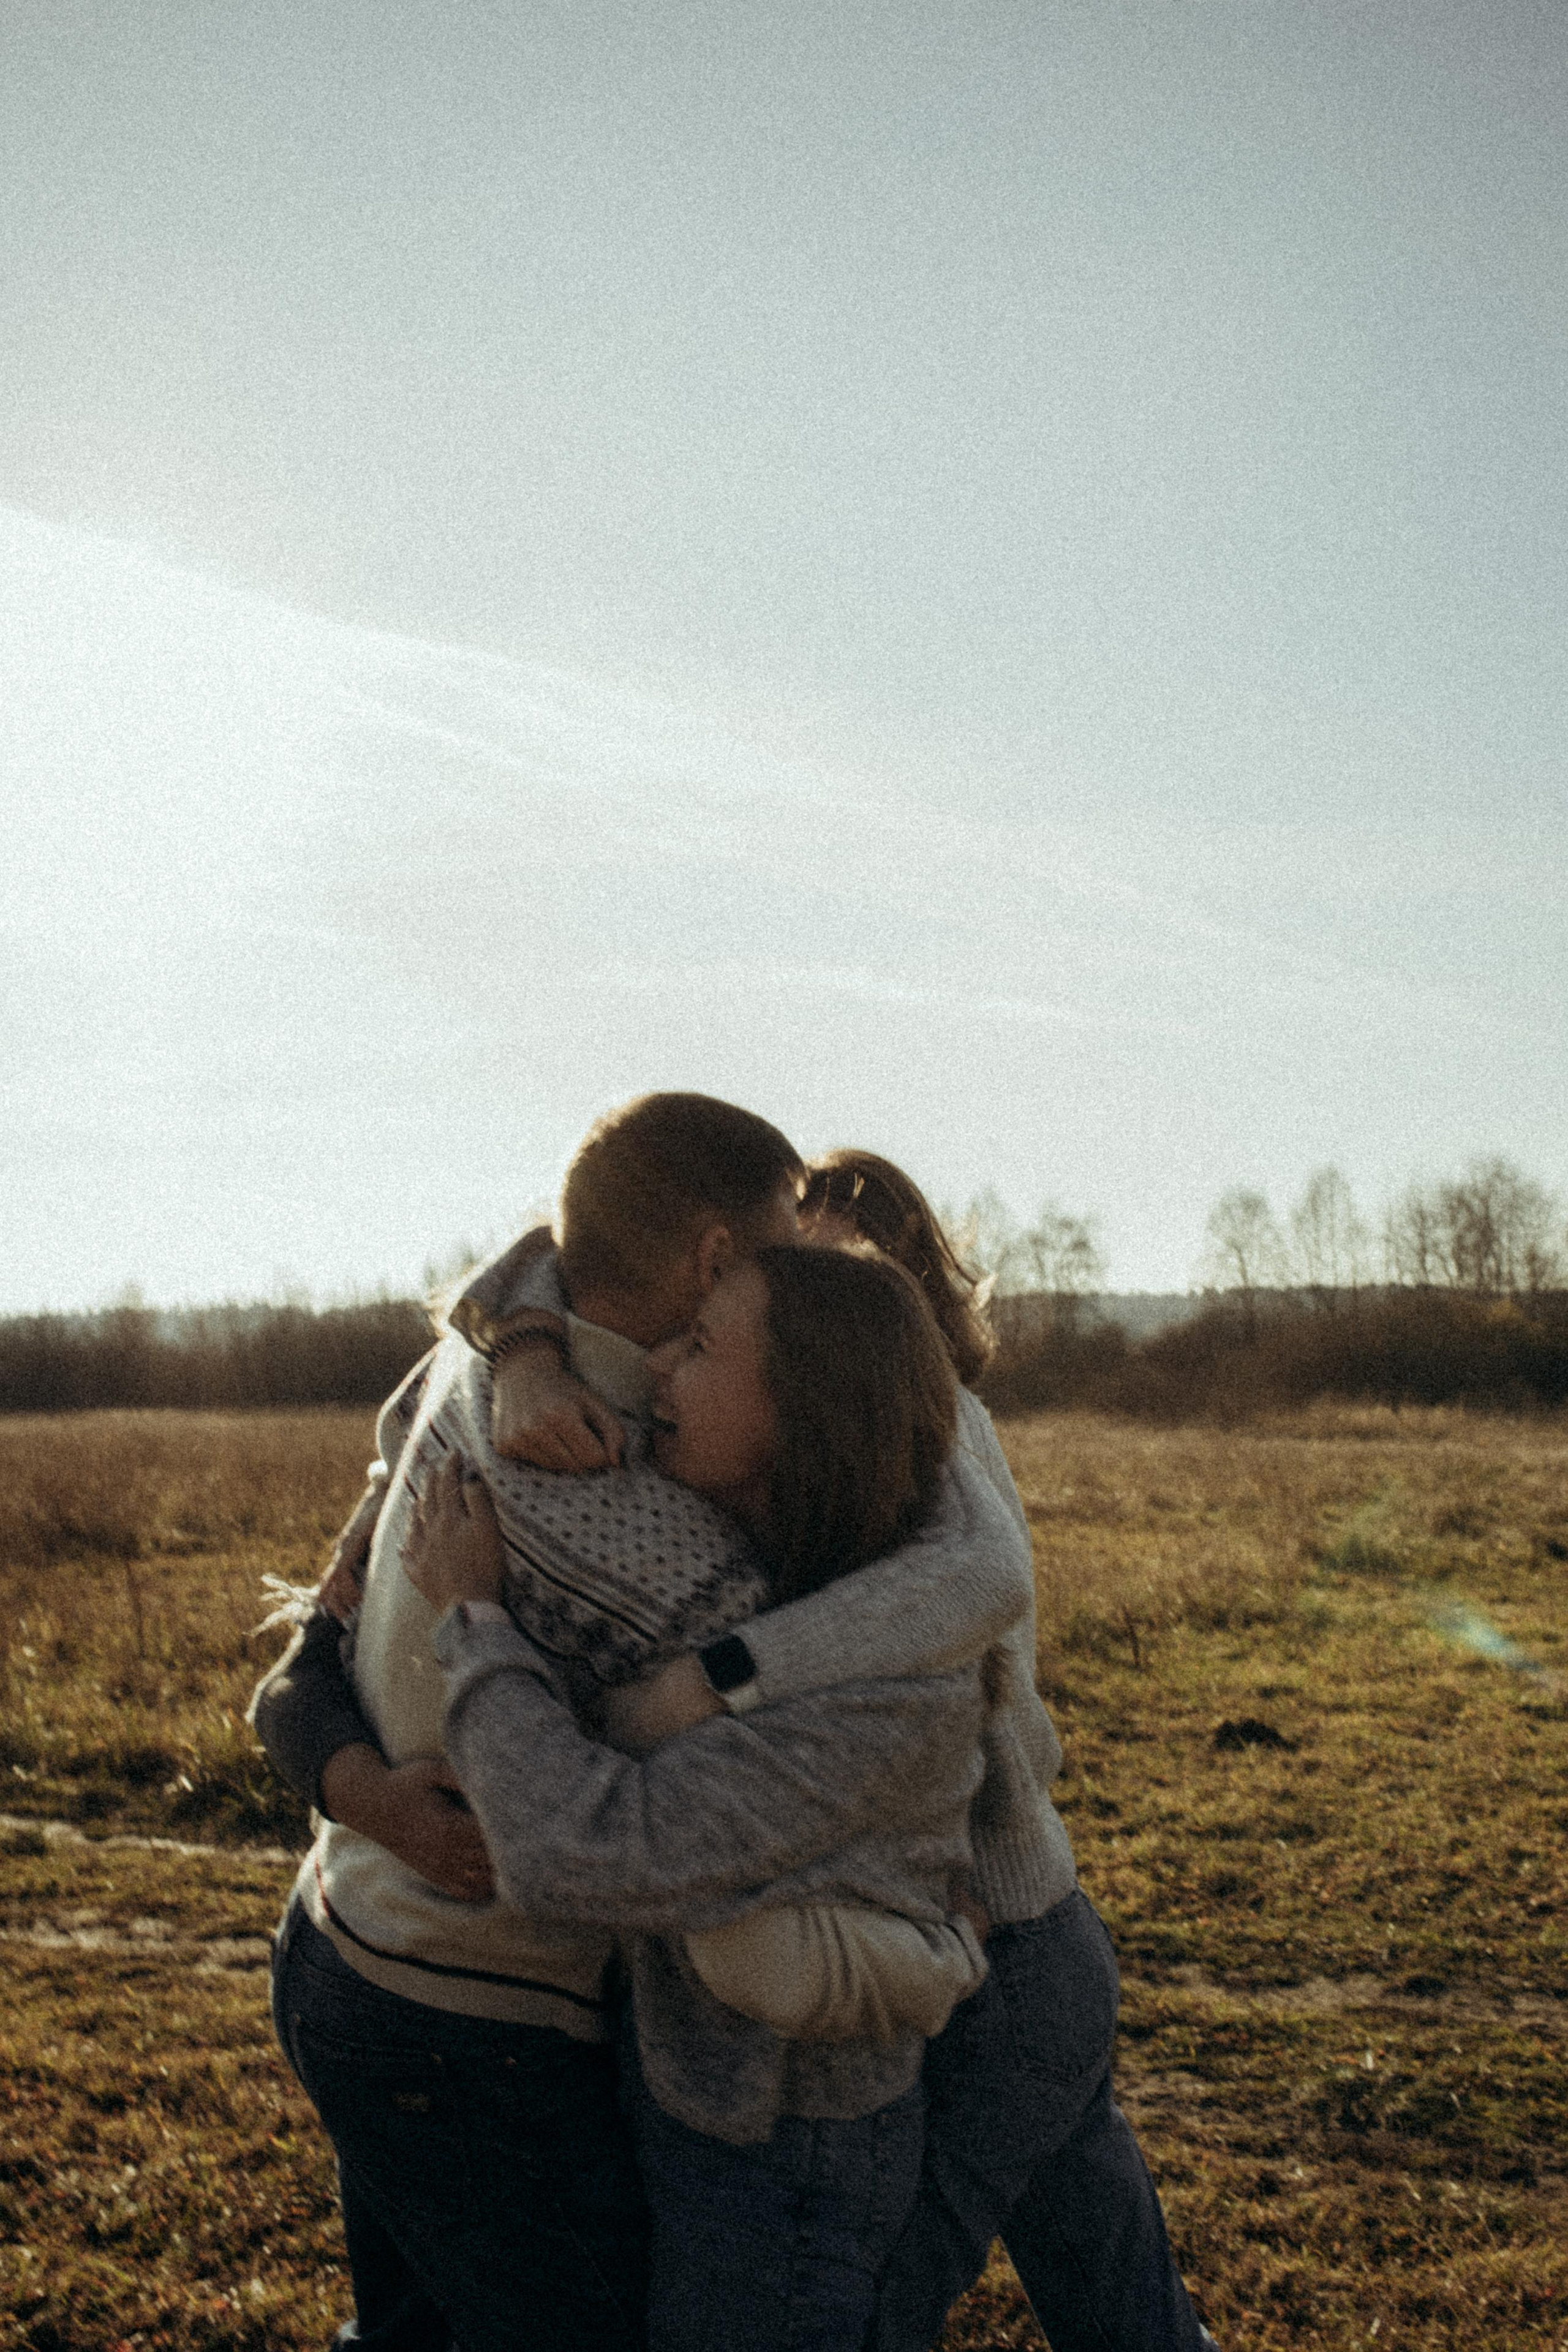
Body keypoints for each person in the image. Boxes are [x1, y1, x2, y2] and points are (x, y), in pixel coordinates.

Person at [255, 1094, 1033, 2352]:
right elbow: (619, 1840)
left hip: (332, 1943)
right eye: (778, 1245)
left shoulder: (464, 1367)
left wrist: (516, 1331)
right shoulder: (641, 1523)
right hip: (475, 2027)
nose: (794, 1265)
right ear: (716, 1257)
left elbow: (316, 1637)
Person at [401, 1243, 998, 2352]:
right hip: (706, 2097)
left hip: (784, 2151)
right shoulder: (768, 1558)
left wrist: (475, 1622)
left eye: (703, 1346)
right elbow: (593, 1220)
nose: (656, 1368)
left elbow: (584, 1854)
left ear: (805, 1407)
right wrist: (529, 1345)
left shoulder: (882, 1692)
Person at [793, 1149, 1218, 2352]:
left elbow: (967, 1691)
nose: (804, 1306)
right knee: (1127, 2320)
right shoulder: (897, 1435)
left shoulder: (918, 1439)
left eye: (835, 1273)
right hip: (1036, 1956)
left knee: (857, 2318)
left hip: (1004, 1964)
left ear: (906, 1290)